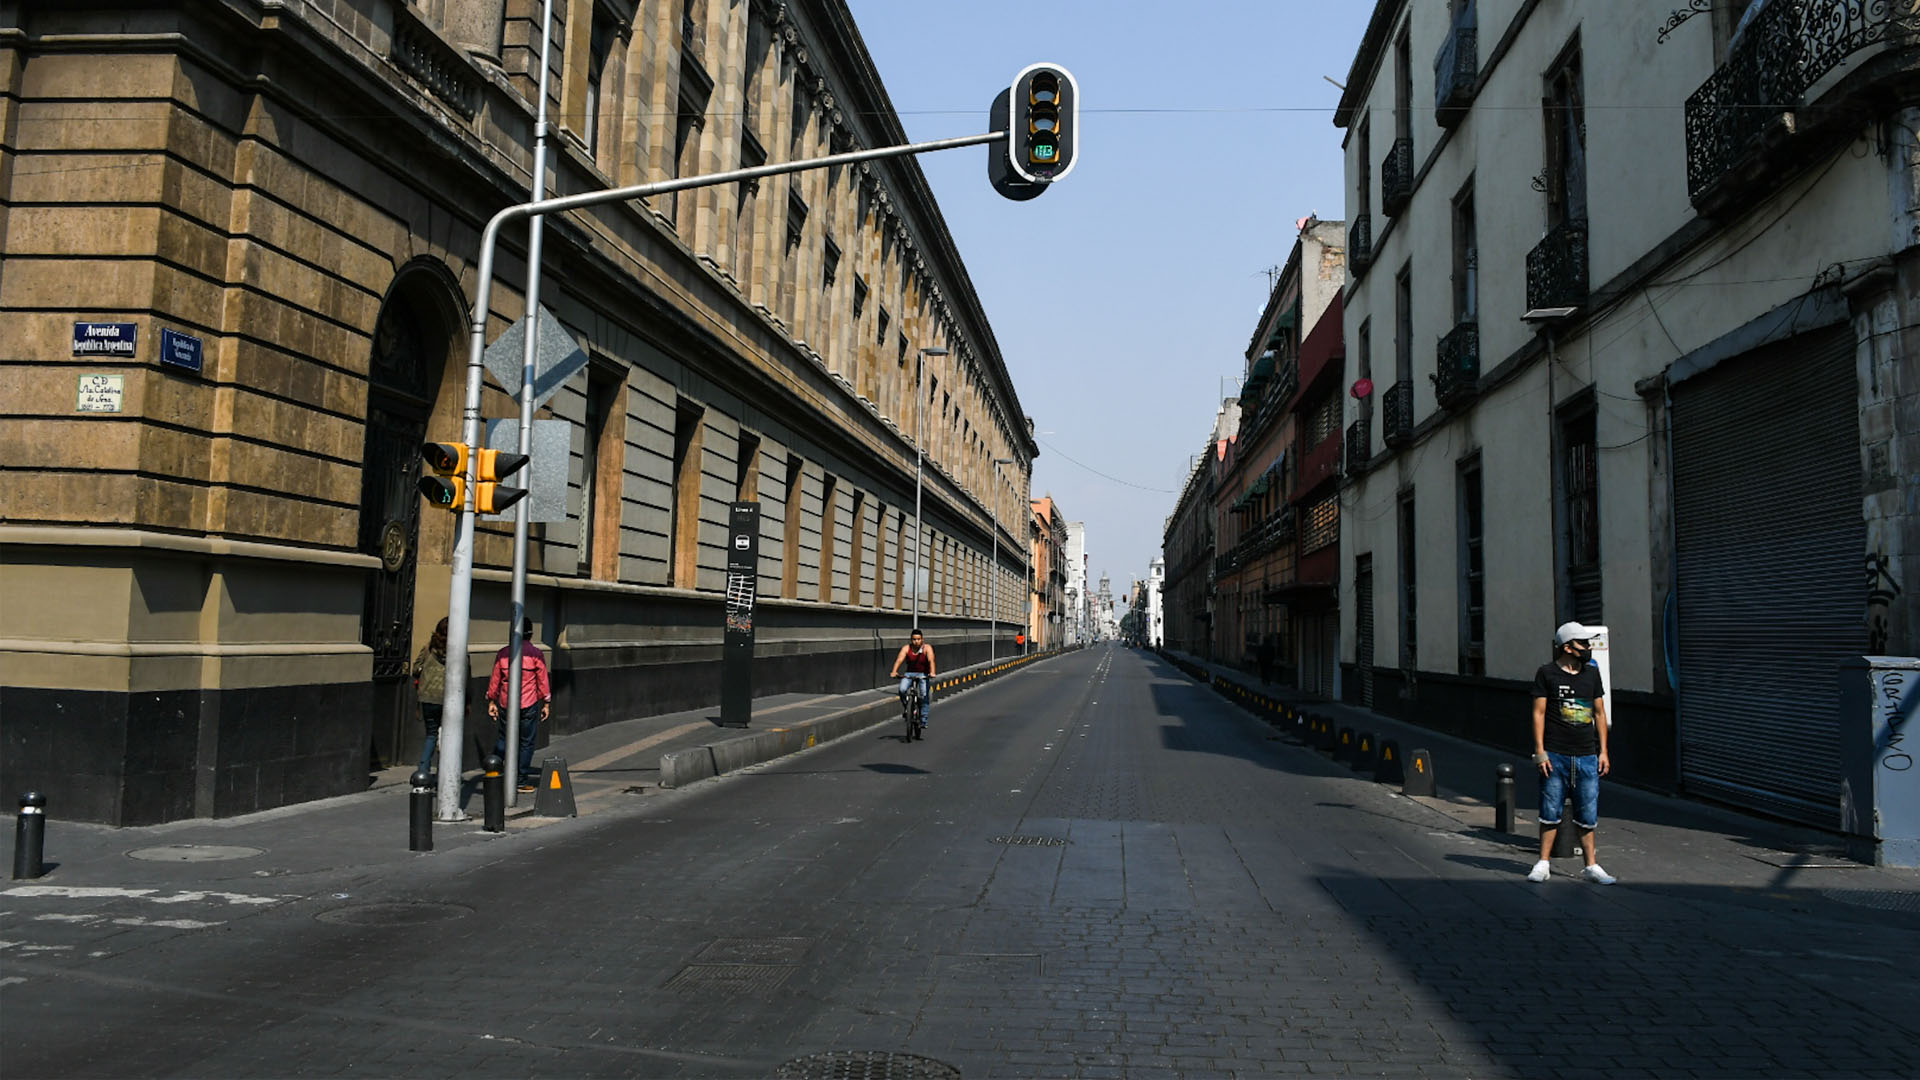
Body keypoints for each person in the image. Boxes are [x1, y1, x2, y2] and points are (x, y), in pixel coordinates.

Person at [1527, 621, 1616, 885]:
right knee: (1550, 810)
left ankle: (1591, 866)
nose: (1588, 648)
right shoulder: (1547, 674)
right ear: (1567, 647)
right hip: (1556, 754)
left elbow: (1599, 713)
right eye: (1583, 643)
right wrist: (1540, 752)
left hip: (1587, 755)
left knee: (1588, 813)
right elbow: (1538, 713)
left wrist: (1604, 751)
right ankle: (1543, 863)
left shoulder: (1591, 674)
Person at [487, 617, 552, 793]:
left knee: (503, 738)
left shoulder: (503, 653)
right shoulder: (536, 654)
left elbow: (495, 681)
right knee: (526, 742)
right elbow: (543, 681)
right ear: (530, 633)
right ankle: (520, 780)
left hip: (506, 703)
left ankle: (494, 773)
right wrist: (546, 702)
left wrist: (491, 700)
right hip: (528, 703)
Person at [412, 618, 450, 776]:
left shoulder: (429, 647)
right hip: (448, 698)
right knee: (449, 735)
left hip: (428, 697)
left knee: (431, 735)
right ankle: (446, 771)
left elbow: (415, 669)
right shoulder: (458, 650)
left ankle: (423, 770)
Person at [888, 628, 936, 731]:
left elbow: (931, 660)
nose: (916, 641)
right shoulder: (906, 648)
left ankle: (923, 719)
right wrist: (894, 671)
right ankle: (908, 709)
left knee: (924, 694)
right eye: (914, 639)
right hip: (909, 673)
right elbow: (899, 659)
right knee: (902, 690)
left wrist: (932, 672)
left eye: (918, 639)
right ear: (911, 640)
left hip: (923, 674)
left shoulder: (927, 648)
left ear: (922, 639)